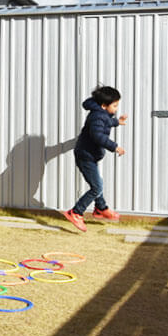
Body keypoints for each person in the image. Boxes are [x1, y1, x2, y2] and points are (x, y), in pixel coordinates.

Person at [63, 85, 128, 232]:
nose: (117, 108)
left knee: (97, 183)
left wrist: (118, 122)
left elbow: (107, 121)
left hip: (90, 155)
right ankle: (75, 212)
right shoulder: (97, 116)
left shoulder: (100, 114)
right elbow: (97, 135)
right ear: (104, 105)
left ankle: (100, 209)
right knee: (96, 186)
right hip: (85, 156)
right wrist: (114, 146)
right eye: (115, 105)